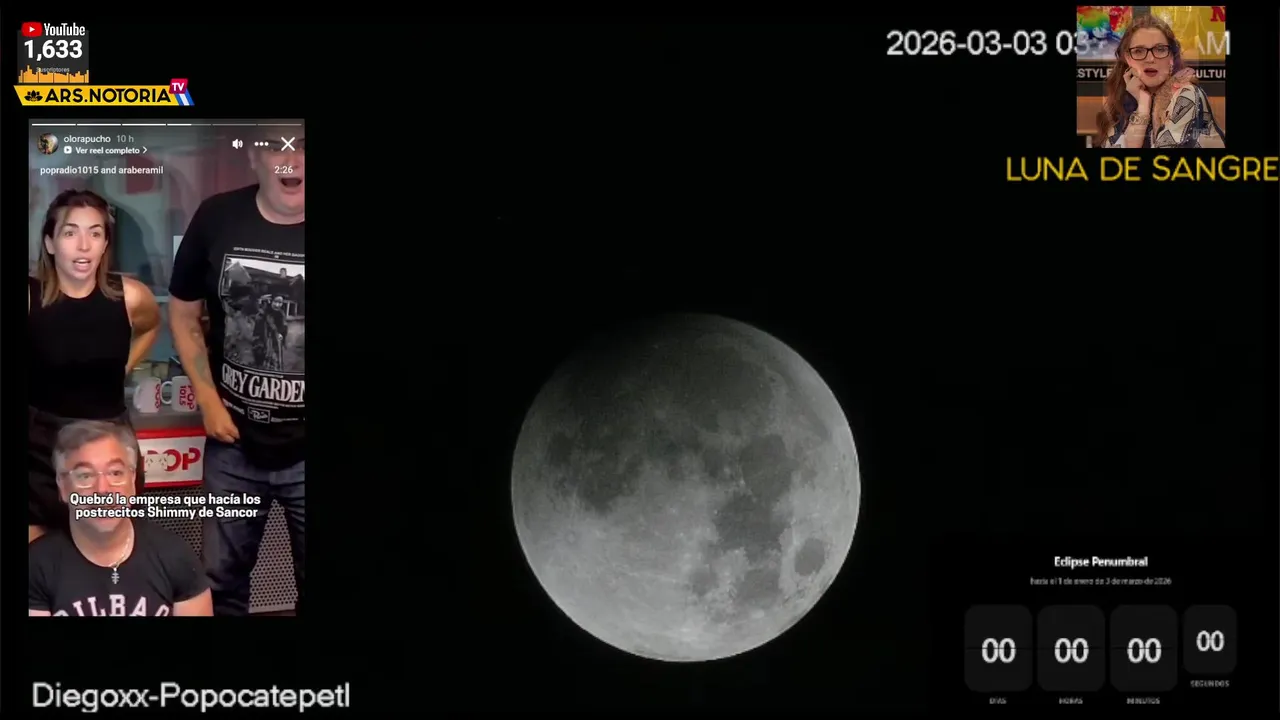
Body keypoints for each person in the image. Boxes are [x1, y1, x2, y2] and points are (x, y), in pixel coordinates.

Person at [168, 131, 306, 616]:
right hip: (233, 445)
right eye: (276, 145)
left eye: (302, 144)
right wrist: (207, 399)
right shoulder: (217, 216)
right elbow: (183, 314)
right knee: (220, 585)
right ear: (253, 156)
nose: (291, 159)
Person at [29, 189, 161, 544]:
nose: (84, 245)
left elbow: (150, 326)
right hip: (39, 445)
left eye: (95, 233)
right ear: (50, 243)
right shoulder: (29, 297)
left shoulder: (131, 296)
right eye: (70, 232)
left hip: (109, 441)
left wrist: (125, 366)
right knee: (38, 556)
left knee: (105, 551)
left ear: (105, 245)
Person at [29, 420, 212, 616]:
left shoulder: (176, 555)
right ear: (63, 486)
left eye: (115, 473)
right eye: (85, 476)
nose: (102, 489)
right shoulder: (36, 566)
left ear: (132, 481)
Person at [1097, 14, 1225, 149]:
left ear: (1171, 57)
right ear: (1128, 58)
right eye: (1139, 51)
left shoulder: (1187, 94)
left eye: (1160, 49)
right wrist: (1143, 106)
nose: (1150, 59)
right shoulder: (1118, 102)